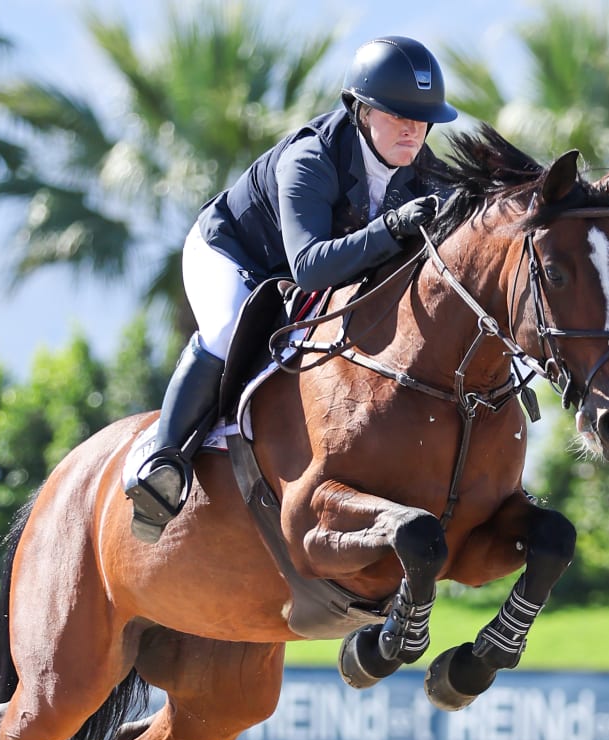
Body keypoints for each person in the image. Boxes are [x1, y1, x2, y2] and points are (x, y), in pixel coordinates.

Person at [124, 35, 458, 543]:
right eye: (399, 116)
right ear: (362, 112)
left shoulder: (422, 171)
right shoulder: (310, 158)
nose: (414, 130)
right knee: (227, 330)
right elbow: (308, 266)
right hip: (233, 254)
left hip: (301, 273)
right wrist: (391, 227)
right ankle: (161, 464)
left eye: (423, 118)